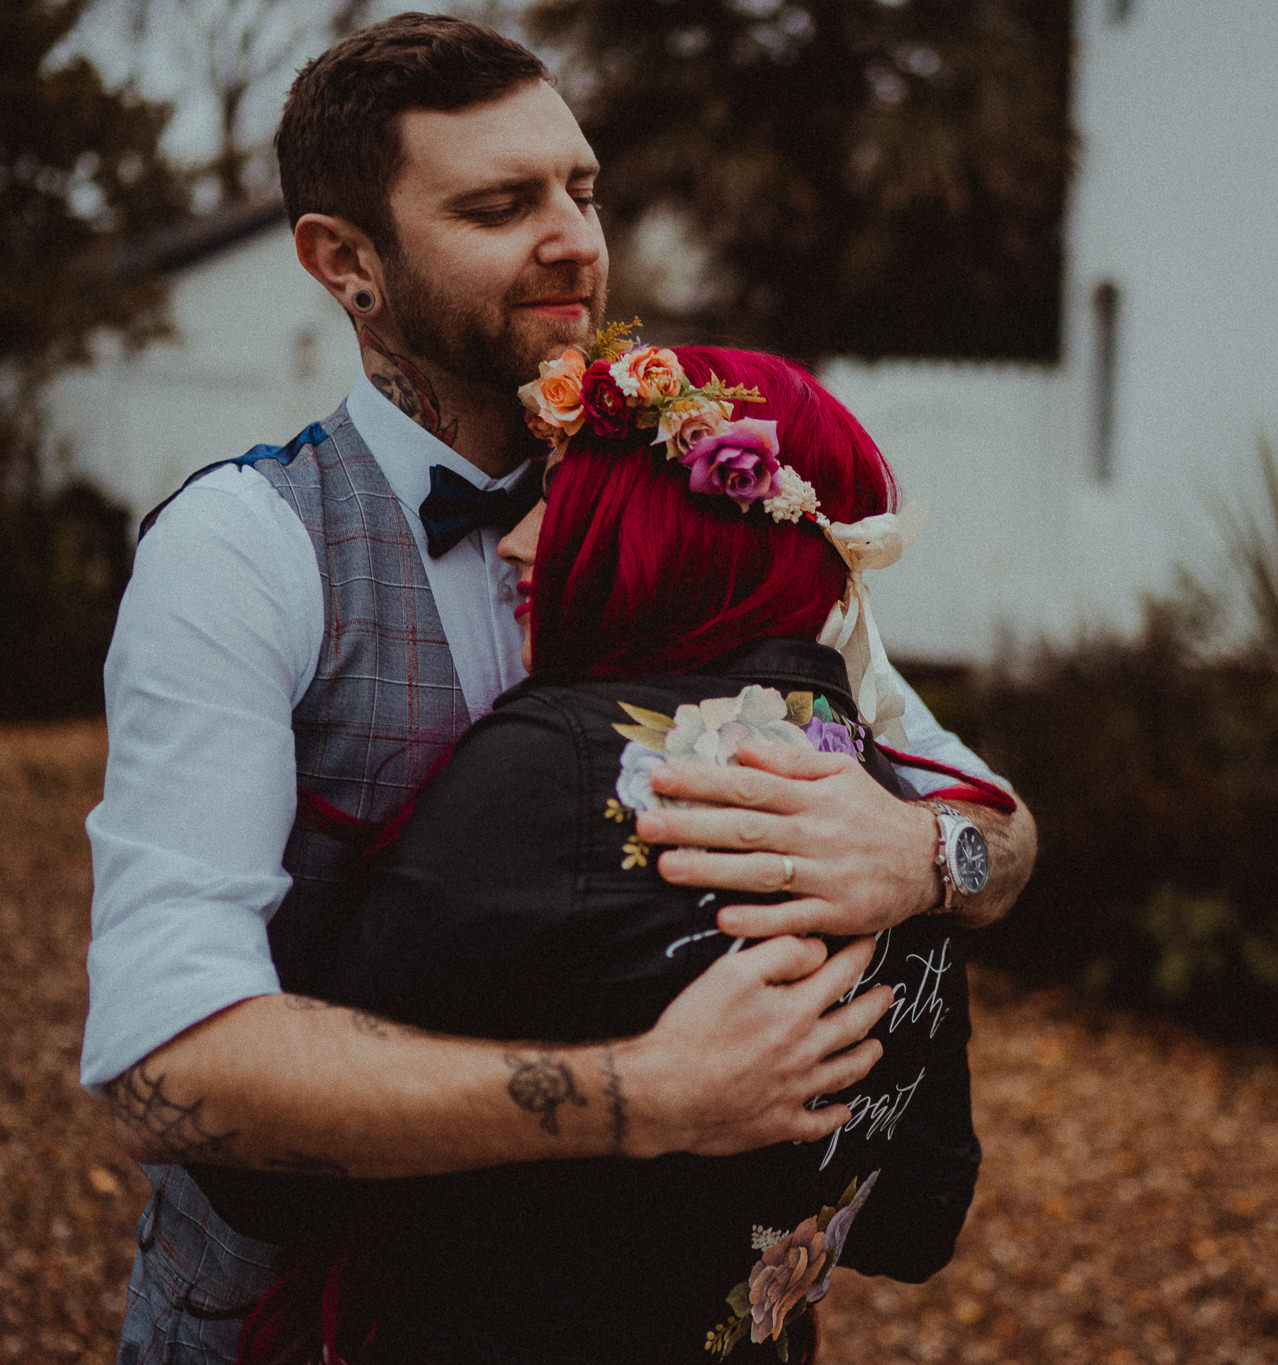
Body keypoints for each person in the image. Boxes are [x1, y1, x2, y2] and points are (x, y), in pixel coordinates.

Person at [83, 16, 1038, 1364]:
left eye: (580, 189)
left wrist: (922, 849)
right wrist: (641, 1095)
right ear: (344, 261)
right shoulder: (247, 550)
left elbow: (999, 829)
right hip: (299, 1325)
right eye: (500, 202)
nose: (574, 238)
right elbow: (161, 1067)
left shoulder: (703, 493)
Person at [222, 342, 1002, 1364]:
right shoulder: (907, 829)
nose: (515, 545)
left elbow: (269, 1169)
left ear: (654, 535)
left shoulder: (557, 767)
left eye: (568, 501)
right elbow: (914, 1226)